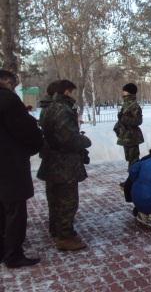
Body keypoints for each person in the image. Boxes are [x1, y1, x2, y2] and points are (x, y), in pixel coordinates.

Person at [37, 80, 91, 251]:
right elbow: (68, 139)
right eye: (72, 92)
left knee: (54, 198)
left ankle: (56, 228)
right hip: (64, 164)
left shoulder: (47, 108)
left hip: (51, 161)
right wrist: (84, 141)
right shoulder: (62, 109)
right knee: (68, 201)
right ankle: (65, 237)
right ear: (66, 92)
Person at [0, 70, 43, 268]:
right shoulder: (8, 99)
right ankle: (13, 254)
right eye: (12, 82)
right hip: (9, 164)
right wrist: (35, 145)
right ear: (6, 81)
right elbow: (26, 131)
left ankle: (3, 250)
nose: (13, 85)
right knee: (15, 210)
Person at [114, 83, 144, 172]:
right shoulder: (126, 104)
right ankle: (131, 180)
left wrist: (123, 118)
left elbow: (138, 121)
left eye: (125, 91)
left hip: (132, 137)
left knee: (134, 159)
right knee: (130, 159)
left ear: (129, 92)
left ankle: (133, 181)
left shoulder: (134, 105)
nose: (123, 92)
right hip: (126, 136)